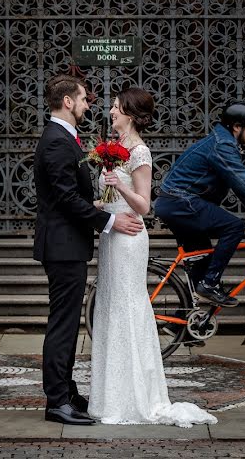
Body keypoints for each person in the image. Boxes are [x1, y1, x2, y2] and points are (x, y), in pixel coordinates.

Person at [88, 87, 216, 428]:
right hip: (111, 234)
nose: (110, 112)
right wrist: (97, 207)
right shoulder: (112, 150)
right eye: (111, 107)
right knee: (110, 304)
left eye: (116, 108)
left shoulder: (139, 152)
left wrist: (120, 185)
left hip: (130, 237)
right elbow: (107, 197)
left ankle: (136, 397)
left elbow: (145, 205)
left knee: (129, 305)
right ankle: (110, 396)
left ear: (130, 114)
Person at [33, 74, 143, 426]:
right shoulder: (56, 141)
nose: (86, 105)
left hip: (69, 244)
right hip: (63, 246)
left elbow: (66, 193)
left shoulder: (63, 138)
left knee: (65, 322)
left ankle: (67, 391)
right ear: (67, 102)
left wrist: (93, 202)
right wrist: (108, 222)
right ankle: (57, 401)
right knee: (63, 325)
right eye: (82, 100)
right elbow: (64, 199)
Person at [154, 102, 245, 307]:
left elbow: (239, 186)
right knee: (234, 226)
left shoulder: (221, 143)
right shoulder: (222, 145)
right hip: (181, 202)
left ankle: (188, 325)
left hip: (179, 204)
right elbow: (243, 179)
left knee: (200, 267)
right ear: (237, 127)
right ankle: (210, 284)